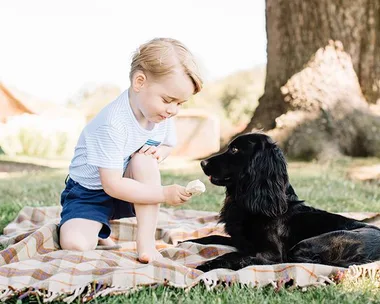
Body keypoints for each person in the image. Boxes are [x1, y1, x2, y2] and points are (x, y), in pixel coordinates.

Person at [59, 37, 203, 263]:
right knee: (75, 245)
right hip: (90, 192)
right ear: (139, 82)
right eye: (168, 100)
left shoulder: (160, 114)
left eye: (180, 103)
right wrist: (164, 193)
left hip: (129, 186)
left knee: (144, 161)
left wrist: (158, 154)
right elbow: (112, 184)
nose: (173, 110)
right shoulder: (112, 123)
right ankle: (95, 227)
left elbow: (166, 145)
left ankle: (145, 245)